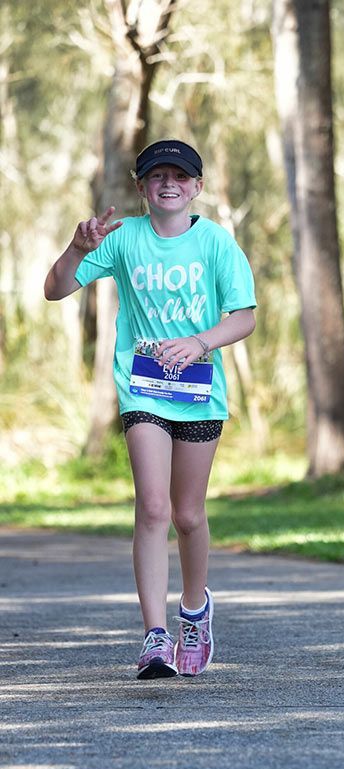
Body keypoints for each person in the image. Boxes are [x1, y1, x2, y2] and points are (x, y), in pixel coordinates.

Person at [44, 140, 257, 679]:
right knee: (153, 508)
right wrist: (75, 249)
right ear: (140, 188)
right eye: (156, 175)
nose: (168, 184)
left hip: (199, 391)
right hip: (142, 390)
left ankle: (193, 612)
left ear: (196, 187)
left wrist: (201, 342)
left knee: (188, 515)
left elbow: (244, 316)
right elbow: (55, 289)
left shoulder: (215, 243)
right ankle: (154, 635)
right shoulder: (125, 239)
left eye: (179, 176)